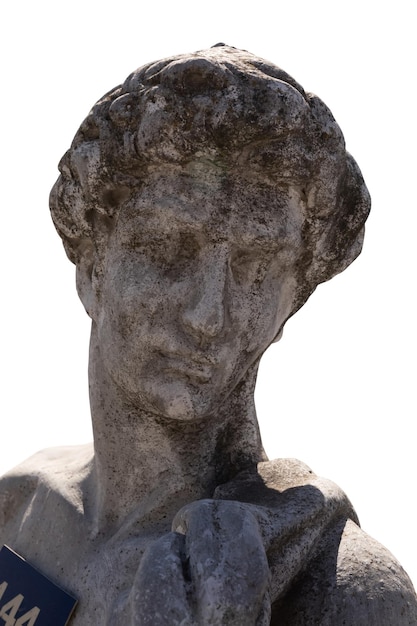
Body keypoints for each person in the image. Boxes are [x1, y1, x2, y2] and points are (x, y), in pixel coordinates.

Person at [1, 45, 416, 625]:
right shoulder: (20, 509)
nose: (208, 315)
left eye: (256, 268)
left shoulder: (339, 591)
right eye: (168, 249)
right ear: (92, 266)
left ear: (293, 298)